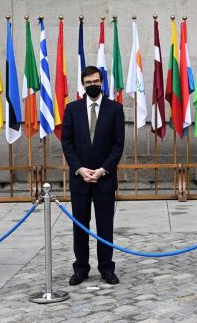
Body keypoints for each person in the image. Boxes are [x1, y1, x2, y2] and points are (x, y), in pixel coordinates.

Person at [61, 66, 125, 286]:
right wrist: (79, 169)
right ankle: (81, 268)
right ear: (82, 84)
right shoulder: (72, 109)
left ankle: (107, 268)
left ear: (102, 82)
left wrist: (102, 170)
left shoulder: (115, 109)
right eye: (88, 82)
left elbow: (118, 145)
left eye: (96, 81)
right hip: (80, 179)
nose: (92, 85)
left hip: (104, 178)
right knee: (80, 226)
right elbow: (67, 143)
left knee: (105, 226)